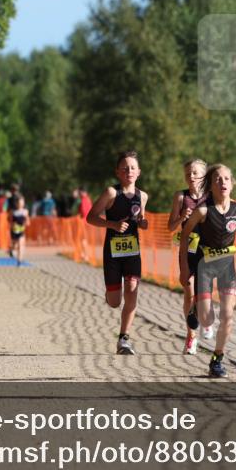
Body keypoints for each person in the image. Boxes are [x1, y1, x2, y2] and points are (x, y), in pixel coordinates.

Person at [179, 164, 236, 378]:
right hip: (205, 266)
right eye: (218, 179)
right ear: (210, 185)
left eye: (227, 178)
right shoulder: (202, 211)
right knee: (207, 320)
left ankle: (217, 358)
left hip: (227, 265)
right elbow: (184, 239)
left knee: (228, 315)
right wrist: (184, 269)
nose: (223, 182)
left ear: (232, 183)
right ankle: (195, 311)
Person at [87, 151, 149, 355]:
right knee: (115, 302)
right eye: (124, 167)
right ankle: (110, 293)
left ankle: (124, 338)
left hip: (132, 251)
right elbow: (91, 217)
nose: (129, 171)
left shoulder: (143, 196)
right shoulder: (111, 193)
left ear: (138, 172)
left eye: (132, 167)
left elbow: (141, 219)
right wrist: (112, 224)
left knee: (132, 290)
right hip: (112, 252)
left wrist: (143, 223)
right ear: (118, 172)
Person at [167, 159, 208, 355]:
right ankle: (191, 335)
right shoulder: (181, 197)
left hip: (206, 251)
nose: (191, 177)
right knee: (188, 291)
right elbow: (170, 226)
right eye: (188, 174)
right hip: (188, 249)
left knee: (202, 295)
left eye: (195, 173)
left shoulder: (211, 196)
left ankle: (204, 319)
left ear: (204, 175)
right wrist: (182, 216)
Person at [10, 194, 29, 266]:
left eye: (22, 202)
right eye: (20, 203)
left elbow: (28, 221)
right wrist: (13, 226)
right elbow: (10, 220)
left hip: (21, 230)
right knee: (15, 245)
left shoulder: (25, 211)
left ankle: (19, 261)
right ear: (17, 203)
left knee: (21, 244)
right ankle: (11, 250)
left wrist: (26, 223)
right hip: (14, 231)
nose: (21, 204)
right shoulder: (13, 211)